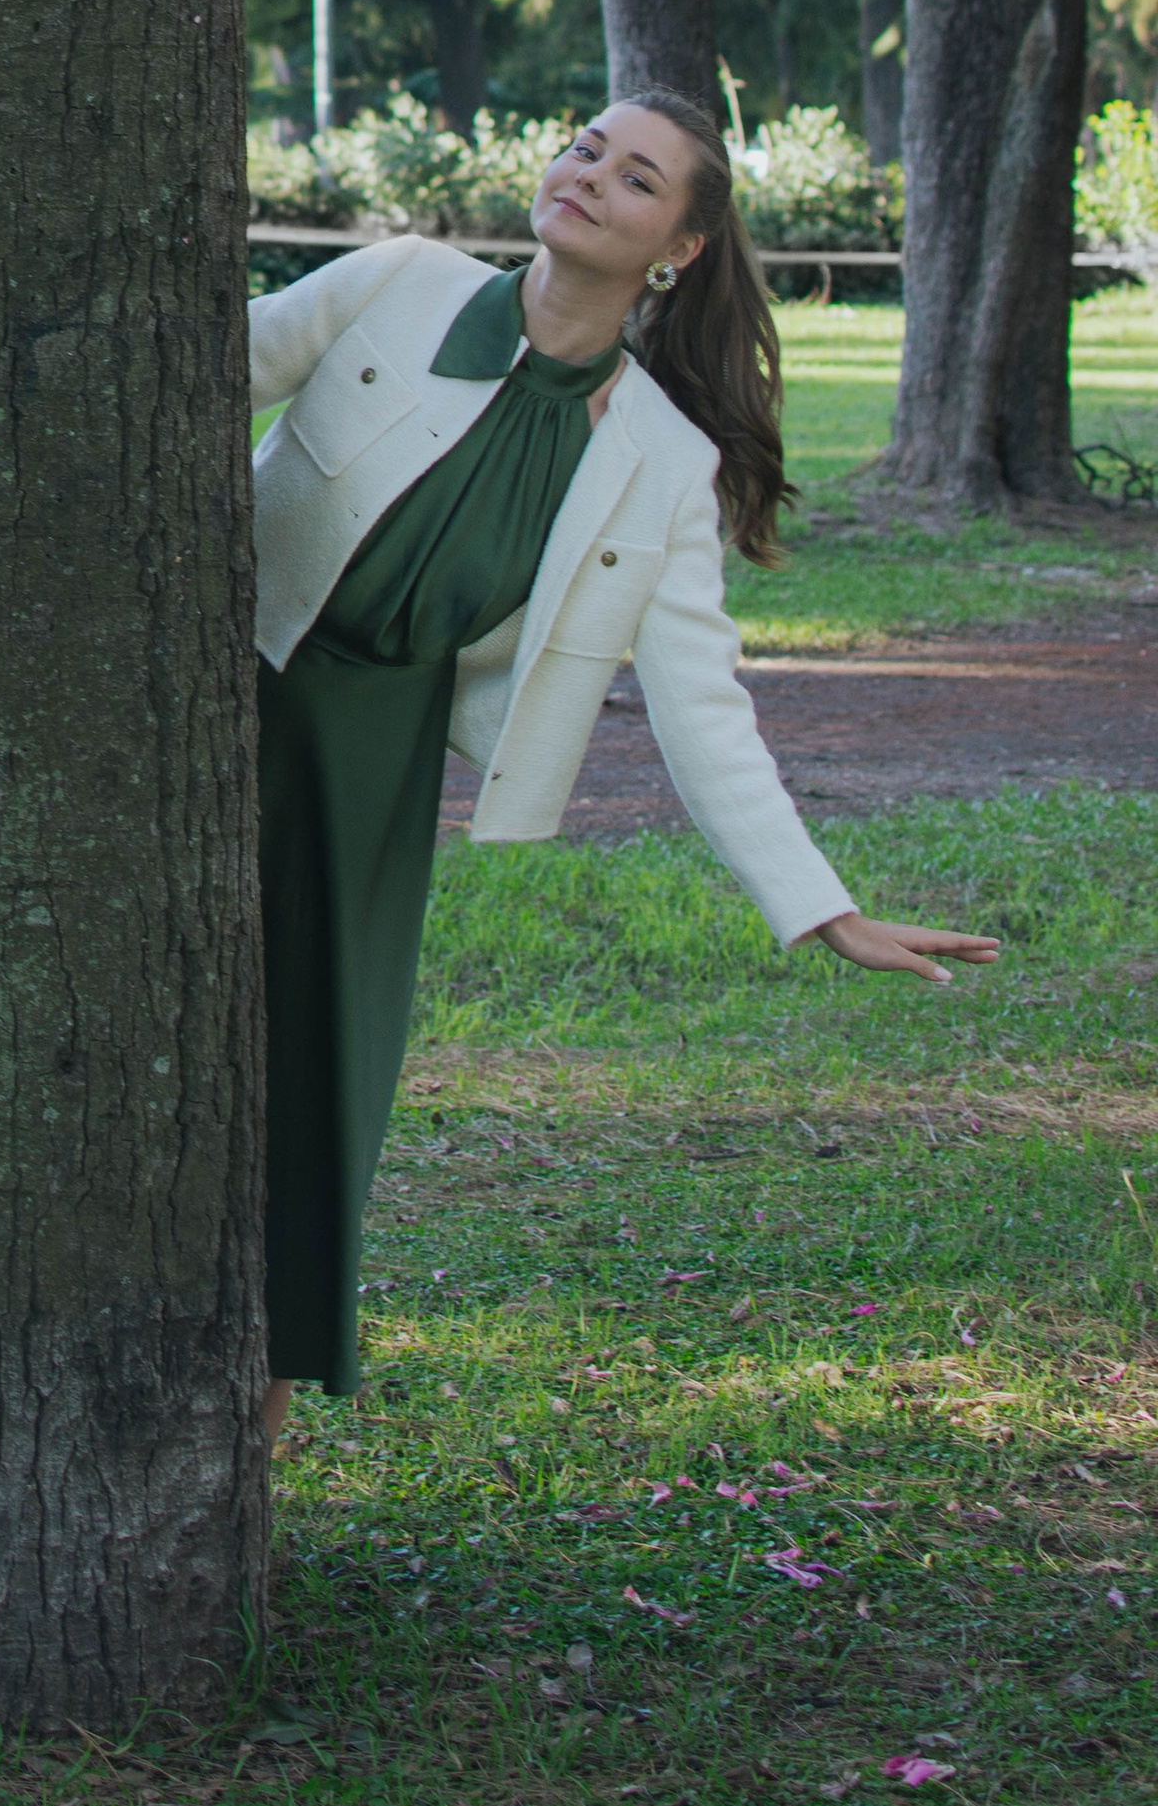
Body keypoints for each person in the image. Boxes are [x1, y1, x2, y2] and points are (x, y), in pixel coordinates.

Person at [248, 86, 997, 1436]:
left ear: (677, 251)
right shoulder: (400, 284)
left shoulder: (661, 460)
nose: (591, 176)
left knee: (314, 1074)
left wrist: (819, 906)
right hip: (214, 690)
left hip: (367, 769)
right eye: (587, 146)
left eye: (637, 178)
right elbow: (202, 369)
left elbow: (704, 707)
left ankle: (253, 1410)